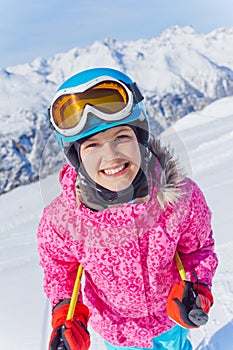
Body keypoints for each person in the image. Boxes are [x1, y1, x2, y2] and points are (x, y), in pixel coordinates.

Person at [37, 67, 218, 350]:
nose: (110, 156)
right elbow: (61, 270)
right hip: (116, 329)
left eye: (121, 137)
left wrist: (197, 289)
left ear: (140, 139)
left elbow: (197, 250)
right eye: (92, 145)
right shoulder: (63, 221)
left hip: (169, 318)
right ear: (76, 157)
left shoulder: (179, 198)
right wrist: (67, 315)